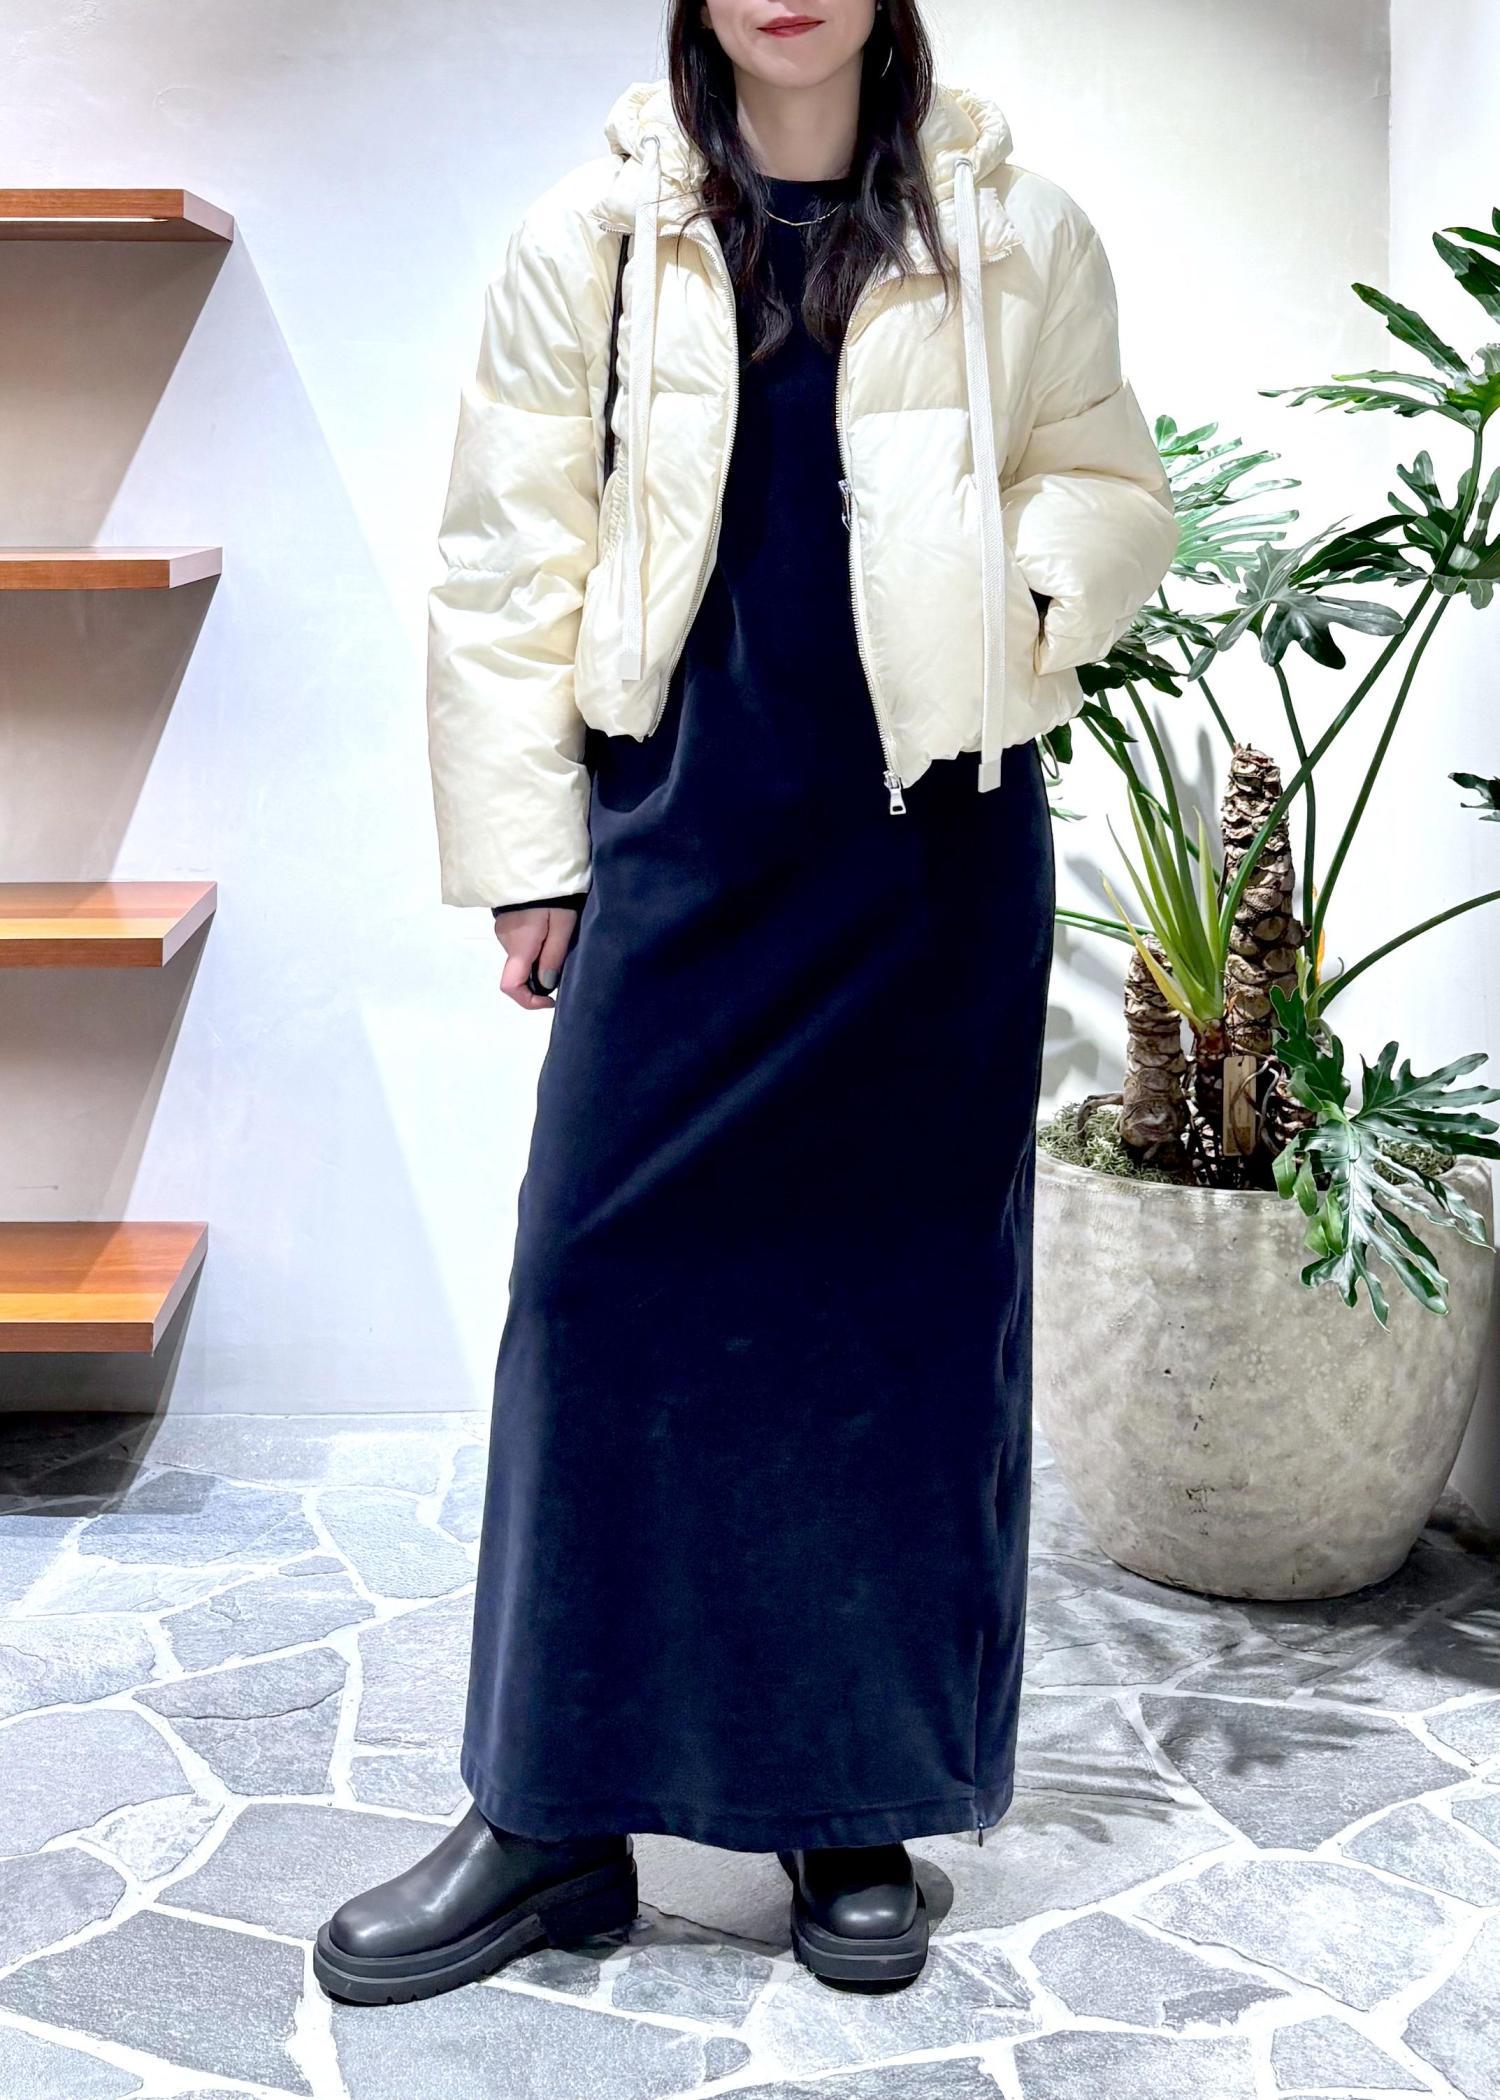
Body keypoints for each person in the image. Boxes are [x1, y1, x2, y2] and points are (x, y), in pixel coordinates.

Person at [315, 0, 1178, 2007]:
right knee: (593, 1301)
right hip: (683, 830)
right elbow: (505, 557)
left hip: (930, 852)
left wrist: (1028, 590)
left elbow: (1109, 479)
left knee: (893, 1324)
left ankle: (850, 1801)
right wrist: (529, 853)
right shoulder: (595, 230)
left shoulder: (1012, 220)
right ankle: (549, 1817)